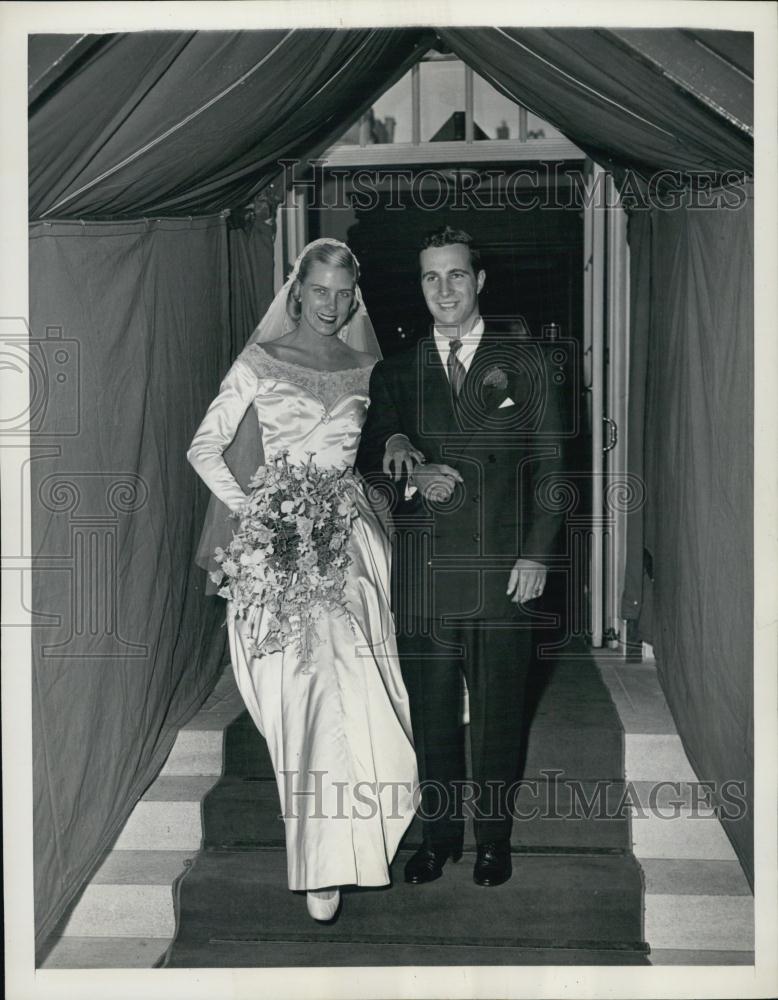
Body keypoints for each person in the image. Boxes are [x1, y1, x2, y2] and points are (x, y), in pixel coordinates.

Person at [188, 238, 418, 922]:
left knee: (359, 688)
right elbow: (204, 447)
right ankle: (322, 858)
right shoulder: (260, 360)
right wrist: (258, 510)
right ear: (297, 292)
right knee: (305, 694)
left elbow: (384, 436)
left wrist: (399, 443)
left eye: (343, 294)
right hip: (279, 541)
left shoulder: (367, 366)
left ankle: (359, 838)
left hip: (351, 539)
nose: (331, 304)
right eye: (320, 290)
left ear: (355, 297)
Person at [357, 226, 563, 888]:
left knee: (499, 716)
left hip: (503, 571)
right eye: (430, 277)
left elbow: (553, 468)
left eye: (455, 275)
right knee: (433, 715)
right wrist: (410, 473)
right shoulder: (395, 370)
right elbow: (371, 468)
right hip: (425, 575)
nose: (443, 289)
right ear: (419, 286)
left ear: (479, 281)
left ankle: (492, 842)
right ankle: (438, 838)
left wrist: (537, 555)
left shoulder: (527, 363)